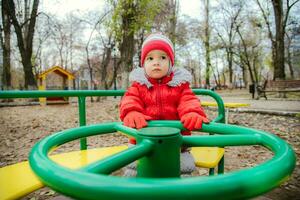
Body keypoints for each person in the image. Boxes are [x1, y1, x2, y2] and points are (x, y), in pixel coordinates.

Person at [119, 33, 209, 176]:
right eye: (150, 58)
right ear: (143, 64)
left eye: (162, 57)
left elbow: (188, 100)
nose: (156, 62)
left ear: (171, 63)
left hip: (176, 143)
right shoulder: (138, 86)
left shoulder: (180, 85)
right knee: (133, 168)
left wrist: (192, 113)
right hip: (142, 141)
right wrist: (131, 112)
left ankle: (182, 190)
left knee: (183, 169)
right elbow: (129, 100)